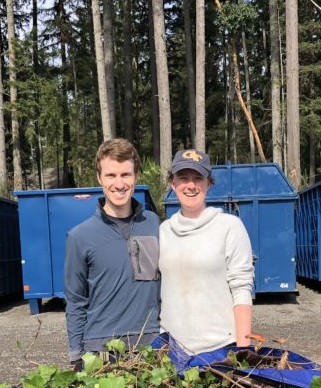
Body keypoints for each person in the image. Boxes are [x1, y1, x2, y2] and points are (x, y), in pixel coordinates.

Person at [64, 139, 161, 370]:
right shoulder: (80, 236)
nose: (119, 184)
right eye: (111, 175)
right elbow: (75, 301)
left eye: (126, 174)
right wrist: (76, 355)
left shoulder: (153, 224)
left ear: (136, 176)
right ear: (99, 178)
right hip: (101, 350)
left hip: (151, 345)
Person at [159, 149, 254, 361]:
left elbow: (241, 288)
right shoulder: (163, 231)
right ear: (173, 183)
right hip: (172, 350)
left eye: (198, 178)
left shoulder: (229, 227)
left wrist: (243, 349)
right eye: (183, 178)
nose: (191, 185)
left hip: (219, 349)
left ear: (208, 183)